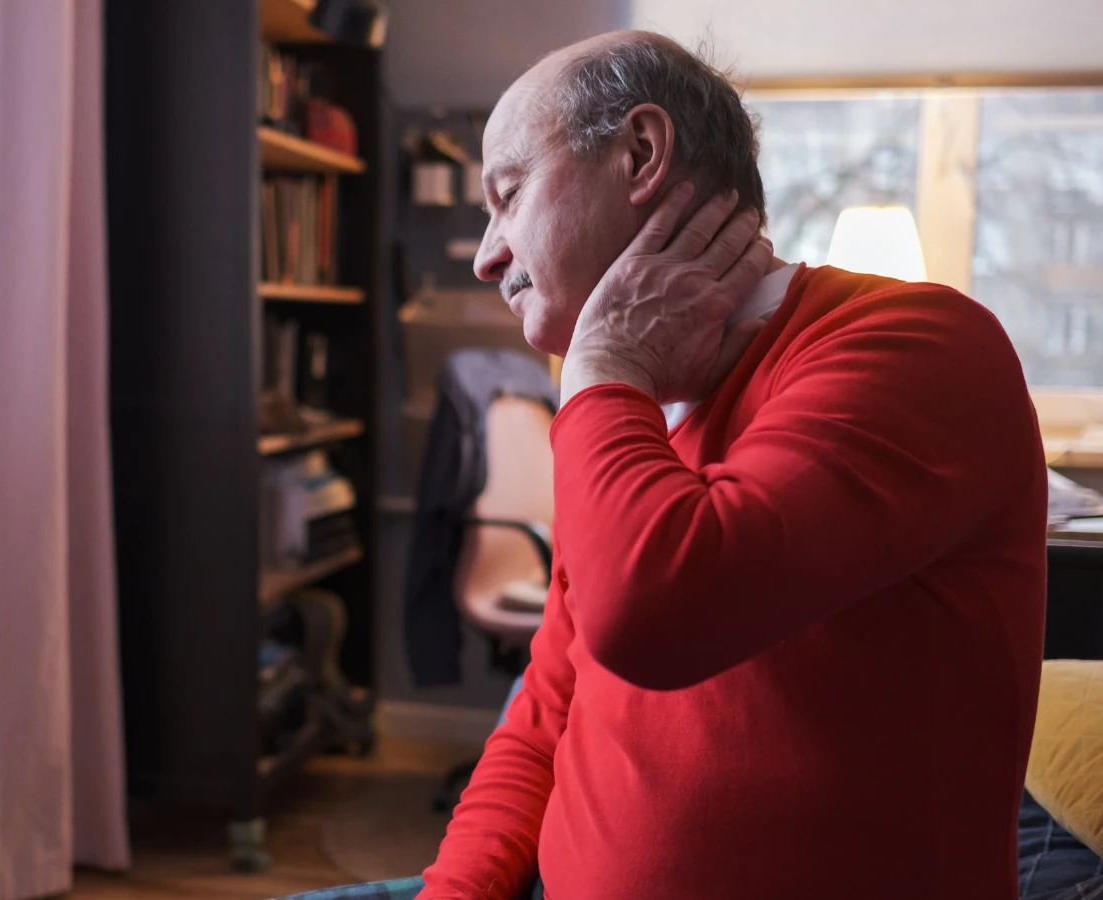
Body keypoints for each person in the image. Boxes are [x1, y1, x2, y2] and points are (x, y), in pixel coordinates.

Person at [292, 29, 1056, 900]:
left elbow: (653, 613)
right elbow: (546, 707)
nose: (485, 254)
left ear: (642, 154)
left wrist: (603, 366)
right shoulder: (627, 412)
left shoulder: (917, 345)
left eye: (508, 196)